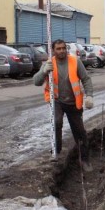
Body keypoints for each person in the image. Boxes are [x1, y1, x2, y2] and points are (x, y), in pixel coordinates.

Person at [34, 39, 94, 171]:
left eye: (63, 48)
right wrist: (43, 71)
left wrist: (89, 96)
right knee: (56, 122)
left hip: (73, 102)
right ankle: (56, 151)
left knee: (80, 132)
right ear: (53, 51)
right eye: (58, 49)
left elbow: (86, 79)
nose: (61, 51)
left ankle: (84, 160)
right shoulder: (49, 64)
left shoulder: (75, 61)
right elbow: (36, 82)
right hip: (57, 100)